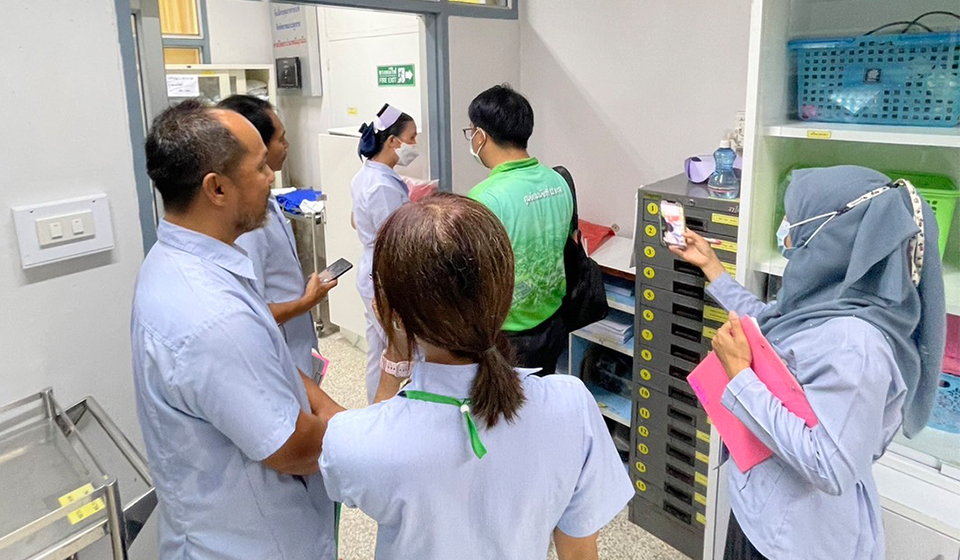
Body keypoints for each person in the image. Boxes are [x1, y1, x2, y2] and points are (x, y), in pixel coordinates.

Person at [317, 194, 633, 559]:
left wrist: (395, 356)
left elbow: (365, 460)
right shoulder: (571, 406)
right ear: (506, 294)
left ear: (394, 314)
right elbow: (578, 553)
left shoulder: (353, 440)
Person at [671, 166, 946, 560]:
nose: (786, 232)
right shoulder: (834, 300)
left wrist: (741, 377)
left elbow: (830, 466)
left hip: (792, 539)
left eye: (795, 221)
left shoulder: (857, 345)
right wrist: (713, 268)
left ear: (835, 234)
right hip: (763, 507)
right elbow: (776, 326)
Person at [132, 100, 340, 559]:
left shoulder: (184, 259)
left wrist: (324, 405)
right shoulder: (213, 315)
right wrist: (361, 430)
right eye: (260, 166)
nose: (271, 177)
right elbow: (295, 449)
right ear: (217, 188)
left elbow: (265, 357)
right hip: (253, 543)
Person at [219, 94, 336, 381]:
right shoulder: (247, 224)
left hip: (295, 342)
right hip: (279, 355)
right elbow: (253, 313)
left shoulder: (266, 200)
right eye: (280, 139)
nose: (287, 145)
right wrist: (307, 301)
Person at [466, 84, 574, 375]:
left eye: (471, 131)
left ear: (481, 136)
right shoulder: (558, 181)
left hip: (507, 333)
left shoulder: (484, 197)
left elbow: (475, 273)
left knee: (507, 401)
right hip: (553, 319)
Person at [351, 103, 433, 403]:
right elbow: (396, 239)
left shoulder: (367, 175)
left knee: (378, 349)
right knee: (403, 352)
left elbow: (356, 220)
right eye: (411, 138)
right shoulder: (382, 185)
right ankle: (399, 412)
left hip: (371, 271)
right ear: (393, 142)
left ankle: (375, 407)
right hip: (386, 277)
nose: (415, 144)